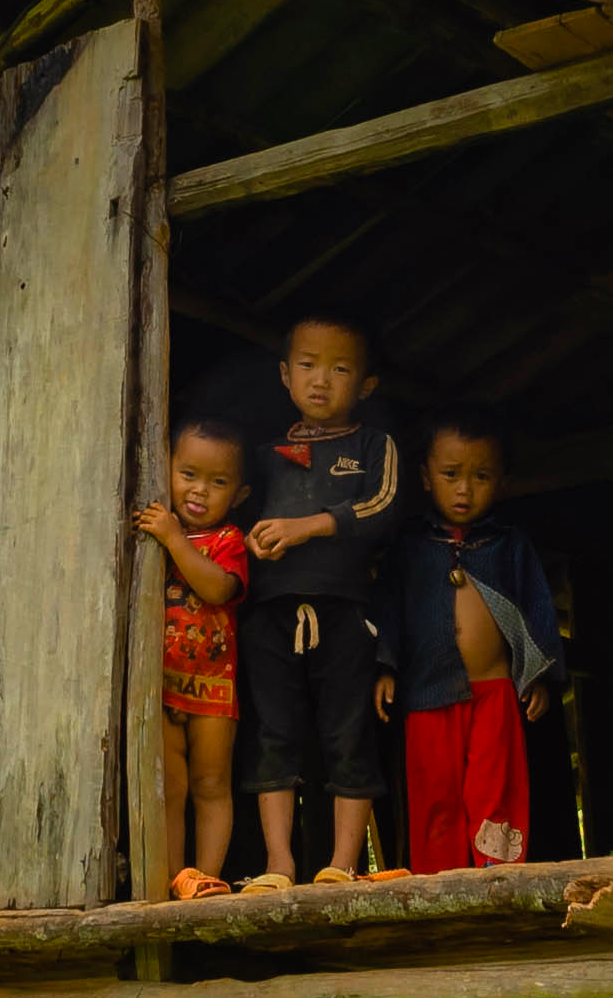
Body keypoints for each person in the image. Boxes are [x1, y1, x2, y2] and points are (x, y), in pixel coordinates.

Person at [236, 313, 405, 886]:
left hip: (346, 615)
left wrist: (307, 526)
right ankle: (279, 864)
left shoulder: (374, 446)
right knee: (272, 732)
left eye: (339, 369)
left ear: (366, 385)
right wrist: (253, 538)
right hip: (269, 615)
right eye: (307, 365)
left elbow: (384, 506)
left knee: (348, 732)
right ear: (285, 375)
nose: (320, 380)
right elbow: (227, 517)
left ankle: (341, 865)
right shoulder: (261, 458)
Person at [390, 418, 561, 873]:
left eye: (480, 477)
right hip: (427, 693)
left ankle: (497, 880)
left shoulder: (508, 546)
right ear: (425, 476)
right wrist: (384, 667)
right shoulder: (410, 546)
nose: (464, 489)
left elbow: (537, 607)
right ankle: (437, 885)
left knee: (494, 788)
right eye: (451, 475)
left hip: (496, 693)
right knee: (435, 794)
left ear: (502, 483)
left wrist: (539, 676)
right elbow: (389, 608)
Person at [132, 420, 254, 898]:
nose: (200, 490)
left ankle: (206, 877)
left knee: (210, 784)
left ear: (239, 494)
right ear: (166, 470)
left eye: (217, 482)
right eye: (188, 474)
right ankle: (173, 879)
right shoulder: (150, 532)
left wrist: (174, 538)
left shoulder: (228, 541)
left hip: (213, 687)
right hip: (160, 685)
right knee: (170, 790)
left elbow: (218, 587)